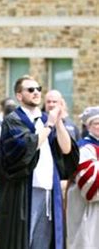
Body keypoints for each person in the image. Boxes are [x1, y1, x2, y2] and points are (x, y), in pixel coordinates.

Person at [0, 75, 79, 249]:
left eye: (38, 89)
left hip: (49, 189)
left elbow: (66, 149)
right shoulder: (13, 120)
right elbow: (26, 148)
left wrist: (59, 122)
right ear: (19, 95)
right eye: (30, 90)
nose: (36, 93)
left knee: (44, 242)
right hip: (26, 189)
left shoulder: (44, 118)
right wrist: (49, 125)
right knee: (26, 240)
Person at [67, 106, 99, 248]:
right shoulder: (84, 147)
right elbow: (89, 183)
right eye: (96, 123)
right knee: (86, 238)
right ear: (88, 126)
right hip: (86, 203)